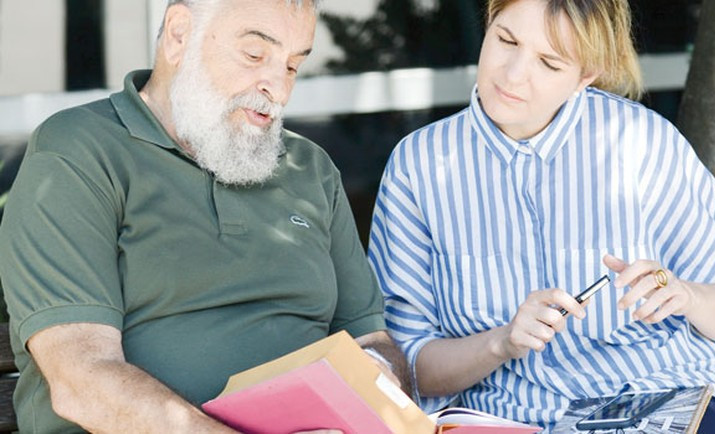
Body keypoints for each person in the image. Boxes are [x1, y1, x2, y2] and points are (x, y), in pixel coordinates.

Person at [0, 0, 410, 432]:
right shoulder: (79, 151)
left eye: (292, 66)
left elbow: (371, 339)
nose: (280, 89)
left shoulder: (310, 168)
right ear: (179, 34)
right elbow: (82, 379)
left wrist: (376, 378)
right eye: (255, 55)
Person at [368, 0, 715, 431]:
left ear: (586, 75)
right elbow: (412, 369)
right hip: (519, 419)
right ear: (488, 24)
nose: (513, 73)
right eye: (506, 40)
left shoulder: (643, 142)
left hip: (672, 397)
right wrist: (501, 342)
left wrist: (686, 294)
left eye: (548, 62)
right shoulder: (419, 167)